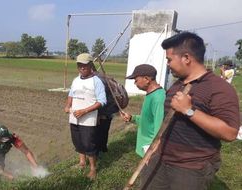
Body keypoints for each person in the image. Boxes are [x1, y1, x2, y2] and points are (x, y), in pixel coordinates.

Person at [142, 32, 240, 190]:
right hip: (160, 159)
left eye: (169, 59)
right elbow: (169, 121)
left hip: (191, 168)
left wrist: (189, 110)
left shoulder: (220, 88)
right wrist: (156, 146)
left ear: (186, 58)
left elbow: (230, 133)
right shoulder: (177, 84)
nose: (167, 64)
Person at [64, 53, 106, 180]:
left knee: (89, 144)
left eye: (84, 65)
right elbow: (71, 94)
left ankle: (93, 169)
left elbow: (102, 101)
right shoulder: (76, 80)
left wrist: (85, 111)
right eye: (79, 65)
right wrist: (67, 105)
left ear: (90, 66)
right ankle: (82, 163)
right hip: (74, 117)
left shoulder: (96, 81)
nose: (82, 68)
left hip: (88, 119)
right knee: (77, 141)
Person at [120, 64, 165, 157]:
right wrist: (132, 118)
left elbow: (160, 129)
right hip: (146, 149)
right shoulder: (150, 95)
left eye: (136, 80)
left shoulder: (158, 98)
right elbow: (148, 120)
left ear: (146, 79)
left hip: (151, 150)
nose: (135, 83)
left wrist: (153, 151)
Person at [89, 63, 119, 153]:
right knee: (104, 132)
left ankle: (98, 152)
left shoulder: (97, 80)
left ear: (90, 69)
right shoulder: (103, 76)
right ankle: (103, 149)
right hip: (110, 109)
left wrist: (98, 114)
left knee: (98, 133)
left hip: (104, 111)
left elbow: (101, 99)